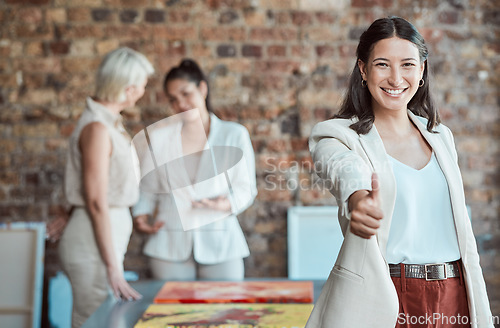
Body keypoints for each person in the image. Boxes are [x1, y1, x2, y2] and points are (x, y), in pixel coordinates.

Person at [307, 17, 493, 328]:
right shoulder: (339, 135)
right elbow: (340, 166)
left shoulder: (441, 137)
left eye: (407, 64)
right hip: (386, 296)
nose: (396, 78)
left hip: (454, 292)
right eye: (382, 64)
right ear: (363, 70)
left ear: (421, 70)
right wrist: (357, 197)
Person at [132, 59, 257, 281]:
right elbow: (149, 188)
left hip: (221, 242)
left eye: (186, 93)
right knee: (172, 314)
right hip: (168, 243)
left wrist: (225, 204)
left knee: (226, 312)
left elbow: (246, 188)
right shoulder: (160, 139)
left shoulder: (234, 135)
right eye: (173, 99)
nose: (181, 104)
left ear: (202, 88)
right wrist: (140, 216)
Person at [58, 47, 154, 327]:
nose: (143, 92)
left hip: (99, 235)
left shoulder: (107, 124)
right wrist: (114, 269)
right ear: (128, 88)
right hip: (92, 241)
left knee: (100, 318)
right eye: (143, 86)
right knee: (92, 319)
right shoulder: (98, 128)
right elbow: (97, 200)